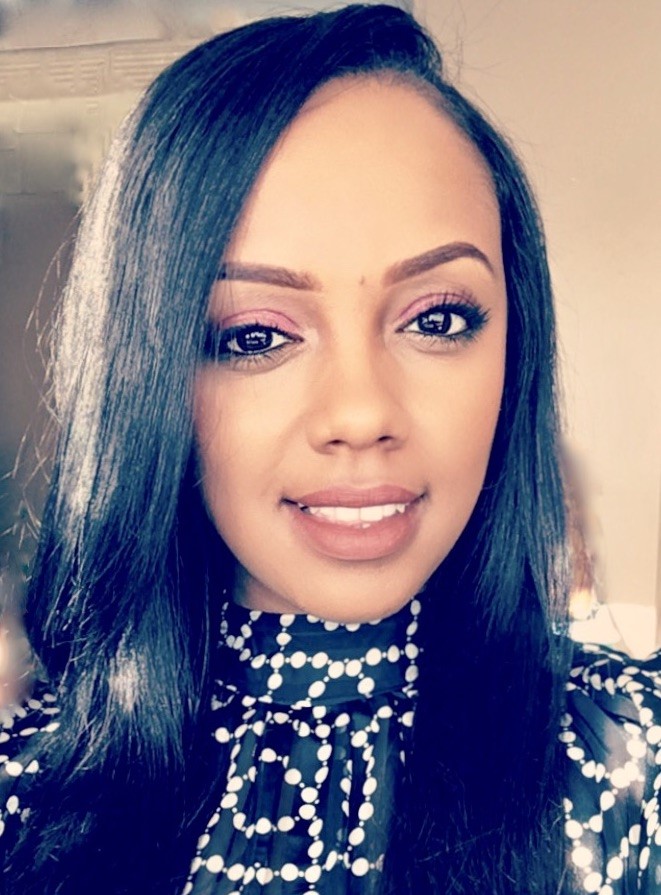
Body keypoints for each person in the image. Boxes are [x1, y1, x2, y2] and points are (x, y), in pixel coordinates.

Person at [0, 4, 659, 894]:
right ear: (146, 370)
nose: (360, 412)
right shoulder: (23, 809)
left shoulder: (635, 763)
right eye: (255, 335)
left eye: (437, 318)